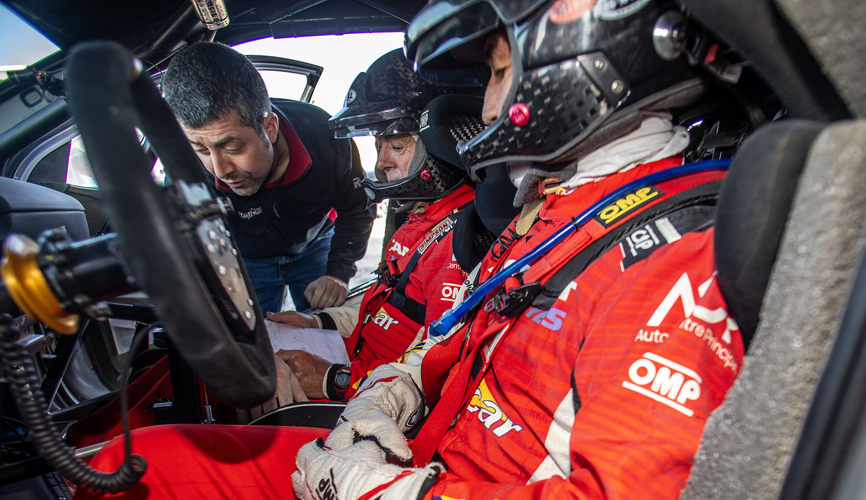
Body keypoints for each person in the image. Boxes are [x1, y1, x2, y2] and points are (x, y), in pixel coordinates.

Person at [78, 1, 751, 498]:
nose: (487, 110)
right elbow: (451, 336)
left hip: (427, 482)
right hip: (416, 454)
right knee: (135, 462)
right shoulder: (555, 214)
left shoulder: (678, 258)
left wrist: (378, 482)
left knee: (133, 470)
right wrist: (385, 396)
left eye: (499, 72)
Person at [266, 49, 487, 401]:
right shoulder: (418, 219)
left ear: (446, 142)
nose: (381, 163)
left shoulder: (463, 241)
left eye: (396, 146)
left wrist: (333, 380)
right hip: (359, 373)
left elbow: (434, 373)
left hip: (373, 404)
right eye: (378, 145)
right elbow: (384, 310)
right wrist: (319, 322)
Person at [162, 42, 374, 311]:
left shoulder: (326, 138)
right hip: (244, 260)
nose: (219, 170)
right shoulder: (184, 167)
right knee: (255, 344)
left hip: (314, 249)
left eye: (232, 148)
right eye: (202, 150)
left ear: (270, 128)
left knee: (325, 332)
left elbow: (357, 209)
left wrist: (338, 273)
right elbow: (185, 238)